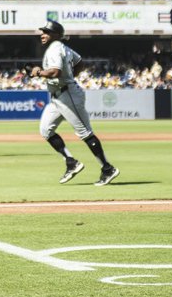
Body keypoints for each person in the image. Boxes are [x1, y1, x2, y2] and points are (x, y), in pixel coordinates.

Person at [31, 21, 119, 186]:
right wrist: (71, 76)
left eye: (46, 32)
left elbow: (55, 71)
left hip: (68, 94)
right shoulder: (62, 47)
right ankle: (71, 162)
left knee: (85, 133)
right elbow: (79, 62)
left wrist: (39, 72)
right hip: (58, 96)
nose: (42, 34)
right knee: (45, 130)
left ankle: (108, 169)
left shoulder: (56, 47)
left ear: (56, 35)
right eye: (42, 32)